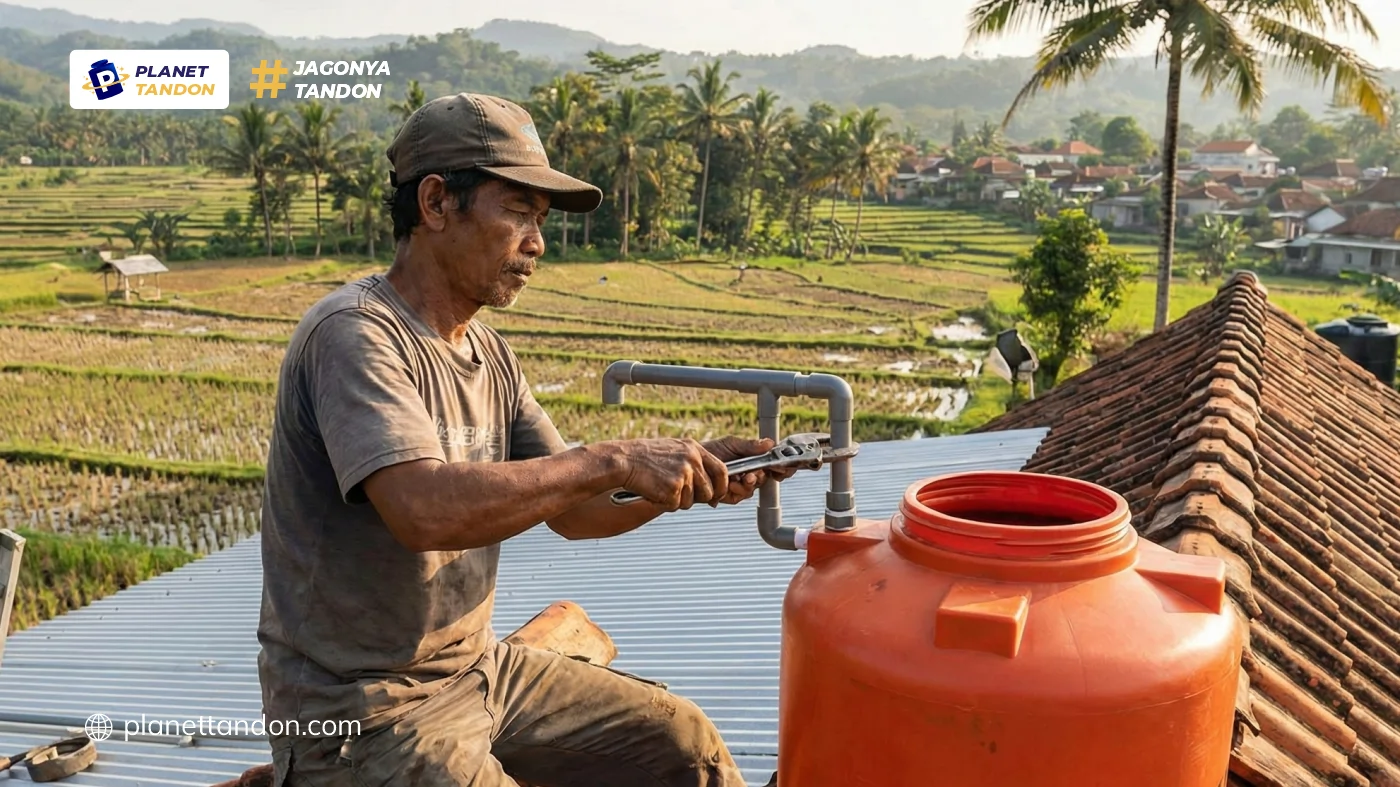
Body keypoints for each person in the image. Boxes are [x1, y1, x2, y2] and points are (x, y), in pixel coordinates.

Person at [257, 92, 791, 787]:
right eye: (517, 212)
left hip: (479, 673)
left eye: (540, 221)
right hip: (363, 713)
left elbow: (574, 510)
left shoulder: (490, 354)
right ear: (437, 203)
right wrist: (618, 456)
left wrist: (688, 476)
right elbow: (421, 508)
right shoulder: (355, 335)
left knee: (683, 741)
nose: (537, 243)